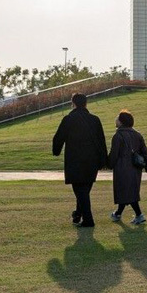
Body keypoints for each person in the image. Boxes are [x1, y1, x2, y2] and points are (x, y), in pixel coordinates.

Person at [51, 93, 107, 228]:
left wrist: (56, 151)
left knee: (80, 190)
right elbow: (101, 141)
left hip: (75, 159)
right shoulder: (95, 120)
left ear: (73, 103)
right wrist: (103, 160)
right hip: (92, 160)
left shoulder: (69, 119)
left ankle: (88, 220)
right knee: (84, 189)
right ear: (86, 103)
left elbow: (58, 138)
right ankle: (77, 214)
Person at [107, 109, 147, 224]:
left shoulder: (118, 135)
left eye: (117, 118)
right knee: (129, 190)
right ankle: (117, 213)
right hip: (136, 167)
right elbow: (145, 151)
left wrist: (109, 164)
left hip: (122, 167)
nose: (116, 119)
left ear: (121, 122)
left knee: (126, 190)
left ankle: (139, 215)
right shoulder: (137, 134)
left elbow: (114, 153)